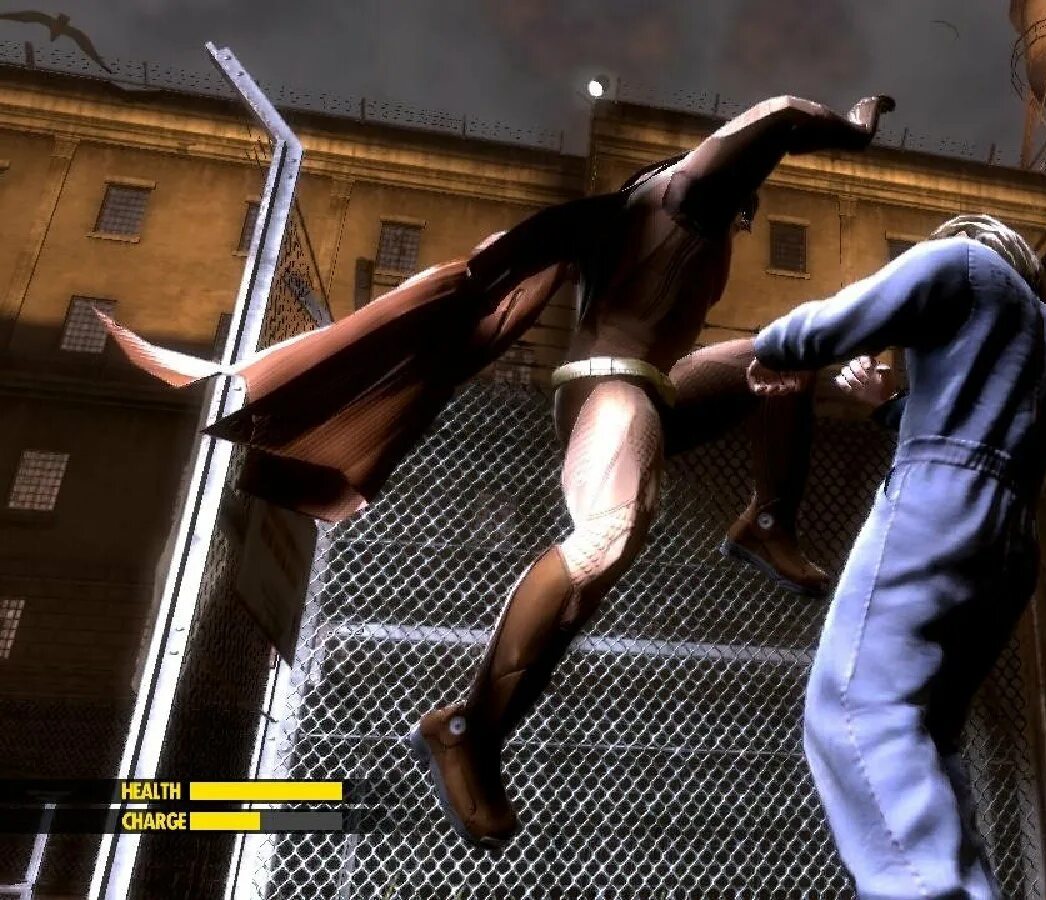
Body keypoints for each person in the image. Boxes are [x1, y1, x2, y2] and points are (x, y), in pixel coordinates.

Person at [97, 93, 897, 851]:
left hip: (659, 386)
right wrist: (852, 131)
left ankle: (766, 521)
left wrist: (850, 367)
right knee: (611, 532)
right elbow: (780, 115)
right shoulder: (681, 194)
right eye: (746, 200)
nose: (747, 217)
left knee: (793, 351)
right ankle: (467, 729)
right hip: (607, 388)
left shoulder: (700, 218)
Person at [747, 215, 1046, 900]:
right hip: (1010, 541)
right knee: (928, 732)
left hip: (937, 507)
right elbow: (976, 425)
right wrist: (888, 404)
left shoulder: (959, 263)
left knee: (856, 707)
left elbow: (840, 321)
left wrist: (771, 345)